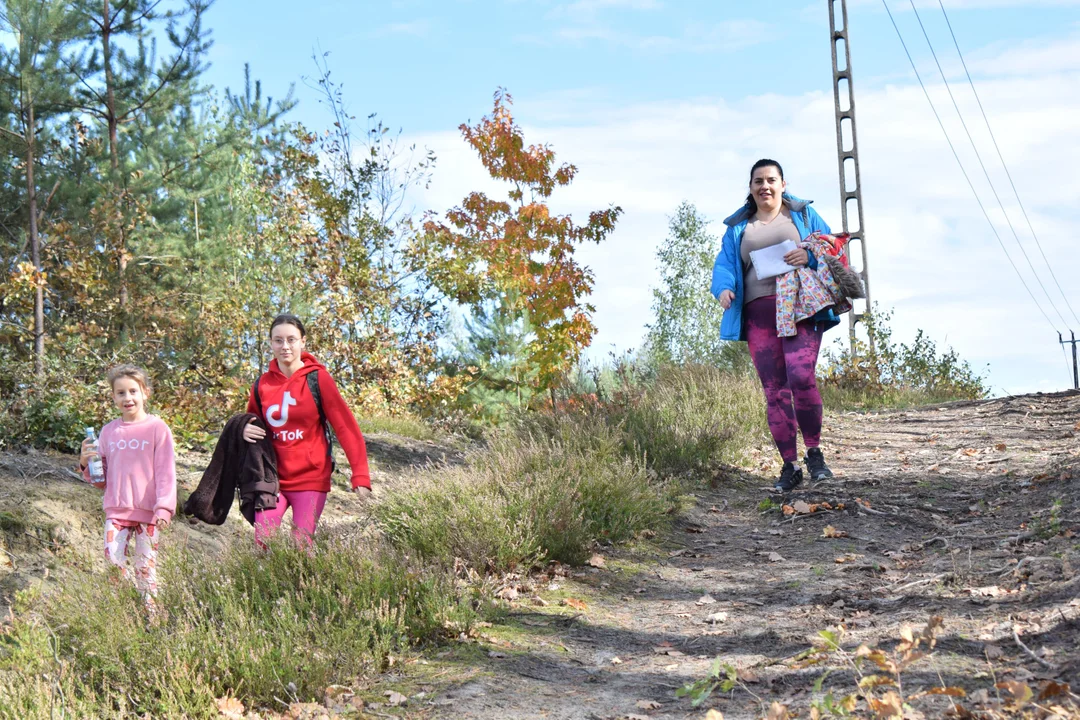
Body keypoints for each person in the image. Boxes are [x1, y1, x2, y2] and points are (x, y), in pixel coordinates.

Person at [710, 159, 838, 493]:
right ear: (750, 188)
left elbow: (832, 245)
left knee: (801, 376)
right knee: (774, 390)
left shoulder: (803, 214)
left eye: (771, 180)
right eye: (758, 181)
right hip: (758, 312)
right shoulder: (739, 227)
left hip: (801, 308)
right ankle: (790, 466)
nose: (764, 186)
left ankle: (814, 454)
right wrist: (723, 288)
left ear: (783, 184)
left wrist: (808, 256)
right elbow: (724, 263)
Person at [243, 313, 372, 544]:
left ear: (303, 341)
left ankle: (306, 581)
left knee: (301, 544)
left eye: (291, 339)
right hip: (273, 479)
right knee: (263, 541)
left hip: (311, 477)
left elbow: (346, 428)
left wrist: (360, 477)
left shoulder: (318, 379)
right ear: (271, 343)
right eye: (278, 340)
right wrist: (243, 430)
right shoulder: (261, 384)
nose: (285, 346)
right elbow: (250, 423)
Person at [79, 364, 176, 610]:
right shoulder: (109, 431)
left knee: (145, 568)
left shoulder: (157, 428)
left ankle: (152, 618)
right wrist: (84, 463)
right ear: (113, 397)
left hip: (149, 513)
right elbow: (101, 479)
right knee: (114, 564)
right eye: (120, 393)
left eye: (133, 391)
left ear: (146, 393)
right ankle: (123, 616)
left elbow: (166, 472)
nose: (127, 397)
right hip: (117, 512)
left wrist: (164, 508)